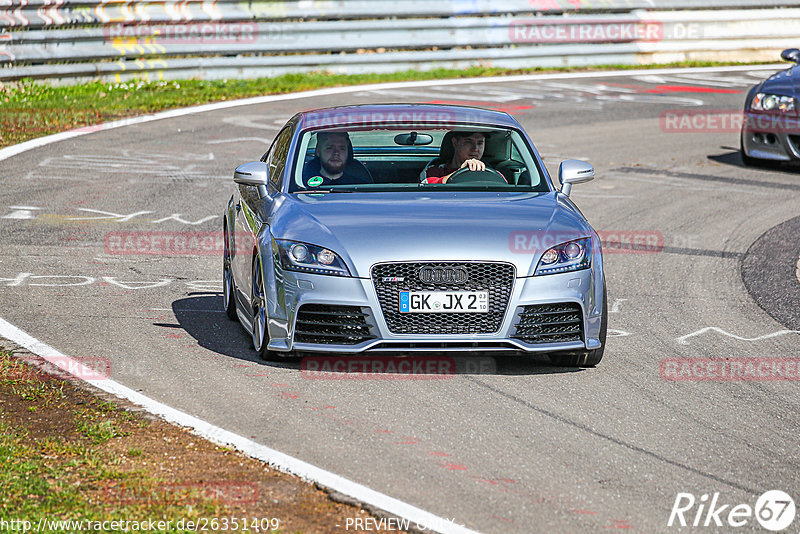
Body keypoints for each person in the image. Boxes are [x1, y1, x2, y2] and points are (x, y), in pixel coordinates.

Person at [420, 131, 498, 184]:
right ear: (455, 142)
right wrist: (462, 172)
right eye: (468, 142)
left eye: (480, 143)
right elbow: (426, 185)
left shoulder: (491, 172)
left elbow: (504, 186)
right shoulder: (433, 171)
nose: (475, 148)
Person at [302, 132, 373, 188]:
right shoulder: (302, 184)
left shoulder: (361, 186)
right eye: (330, 148)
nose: (336, 153)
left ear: (347, 152)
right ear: (318, 151)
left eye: (342, 148)